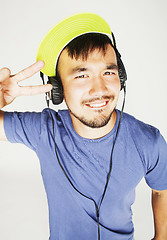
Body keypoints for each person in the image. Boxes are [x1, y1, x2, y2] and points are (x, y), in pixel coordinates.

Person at [0, 12, 167, 240]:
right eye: (81, 76)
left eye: (109, 72)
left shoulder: (149, 140)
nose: (99, 89)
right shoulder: (44, 129)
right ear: (58, 90)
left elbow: (162, 190)